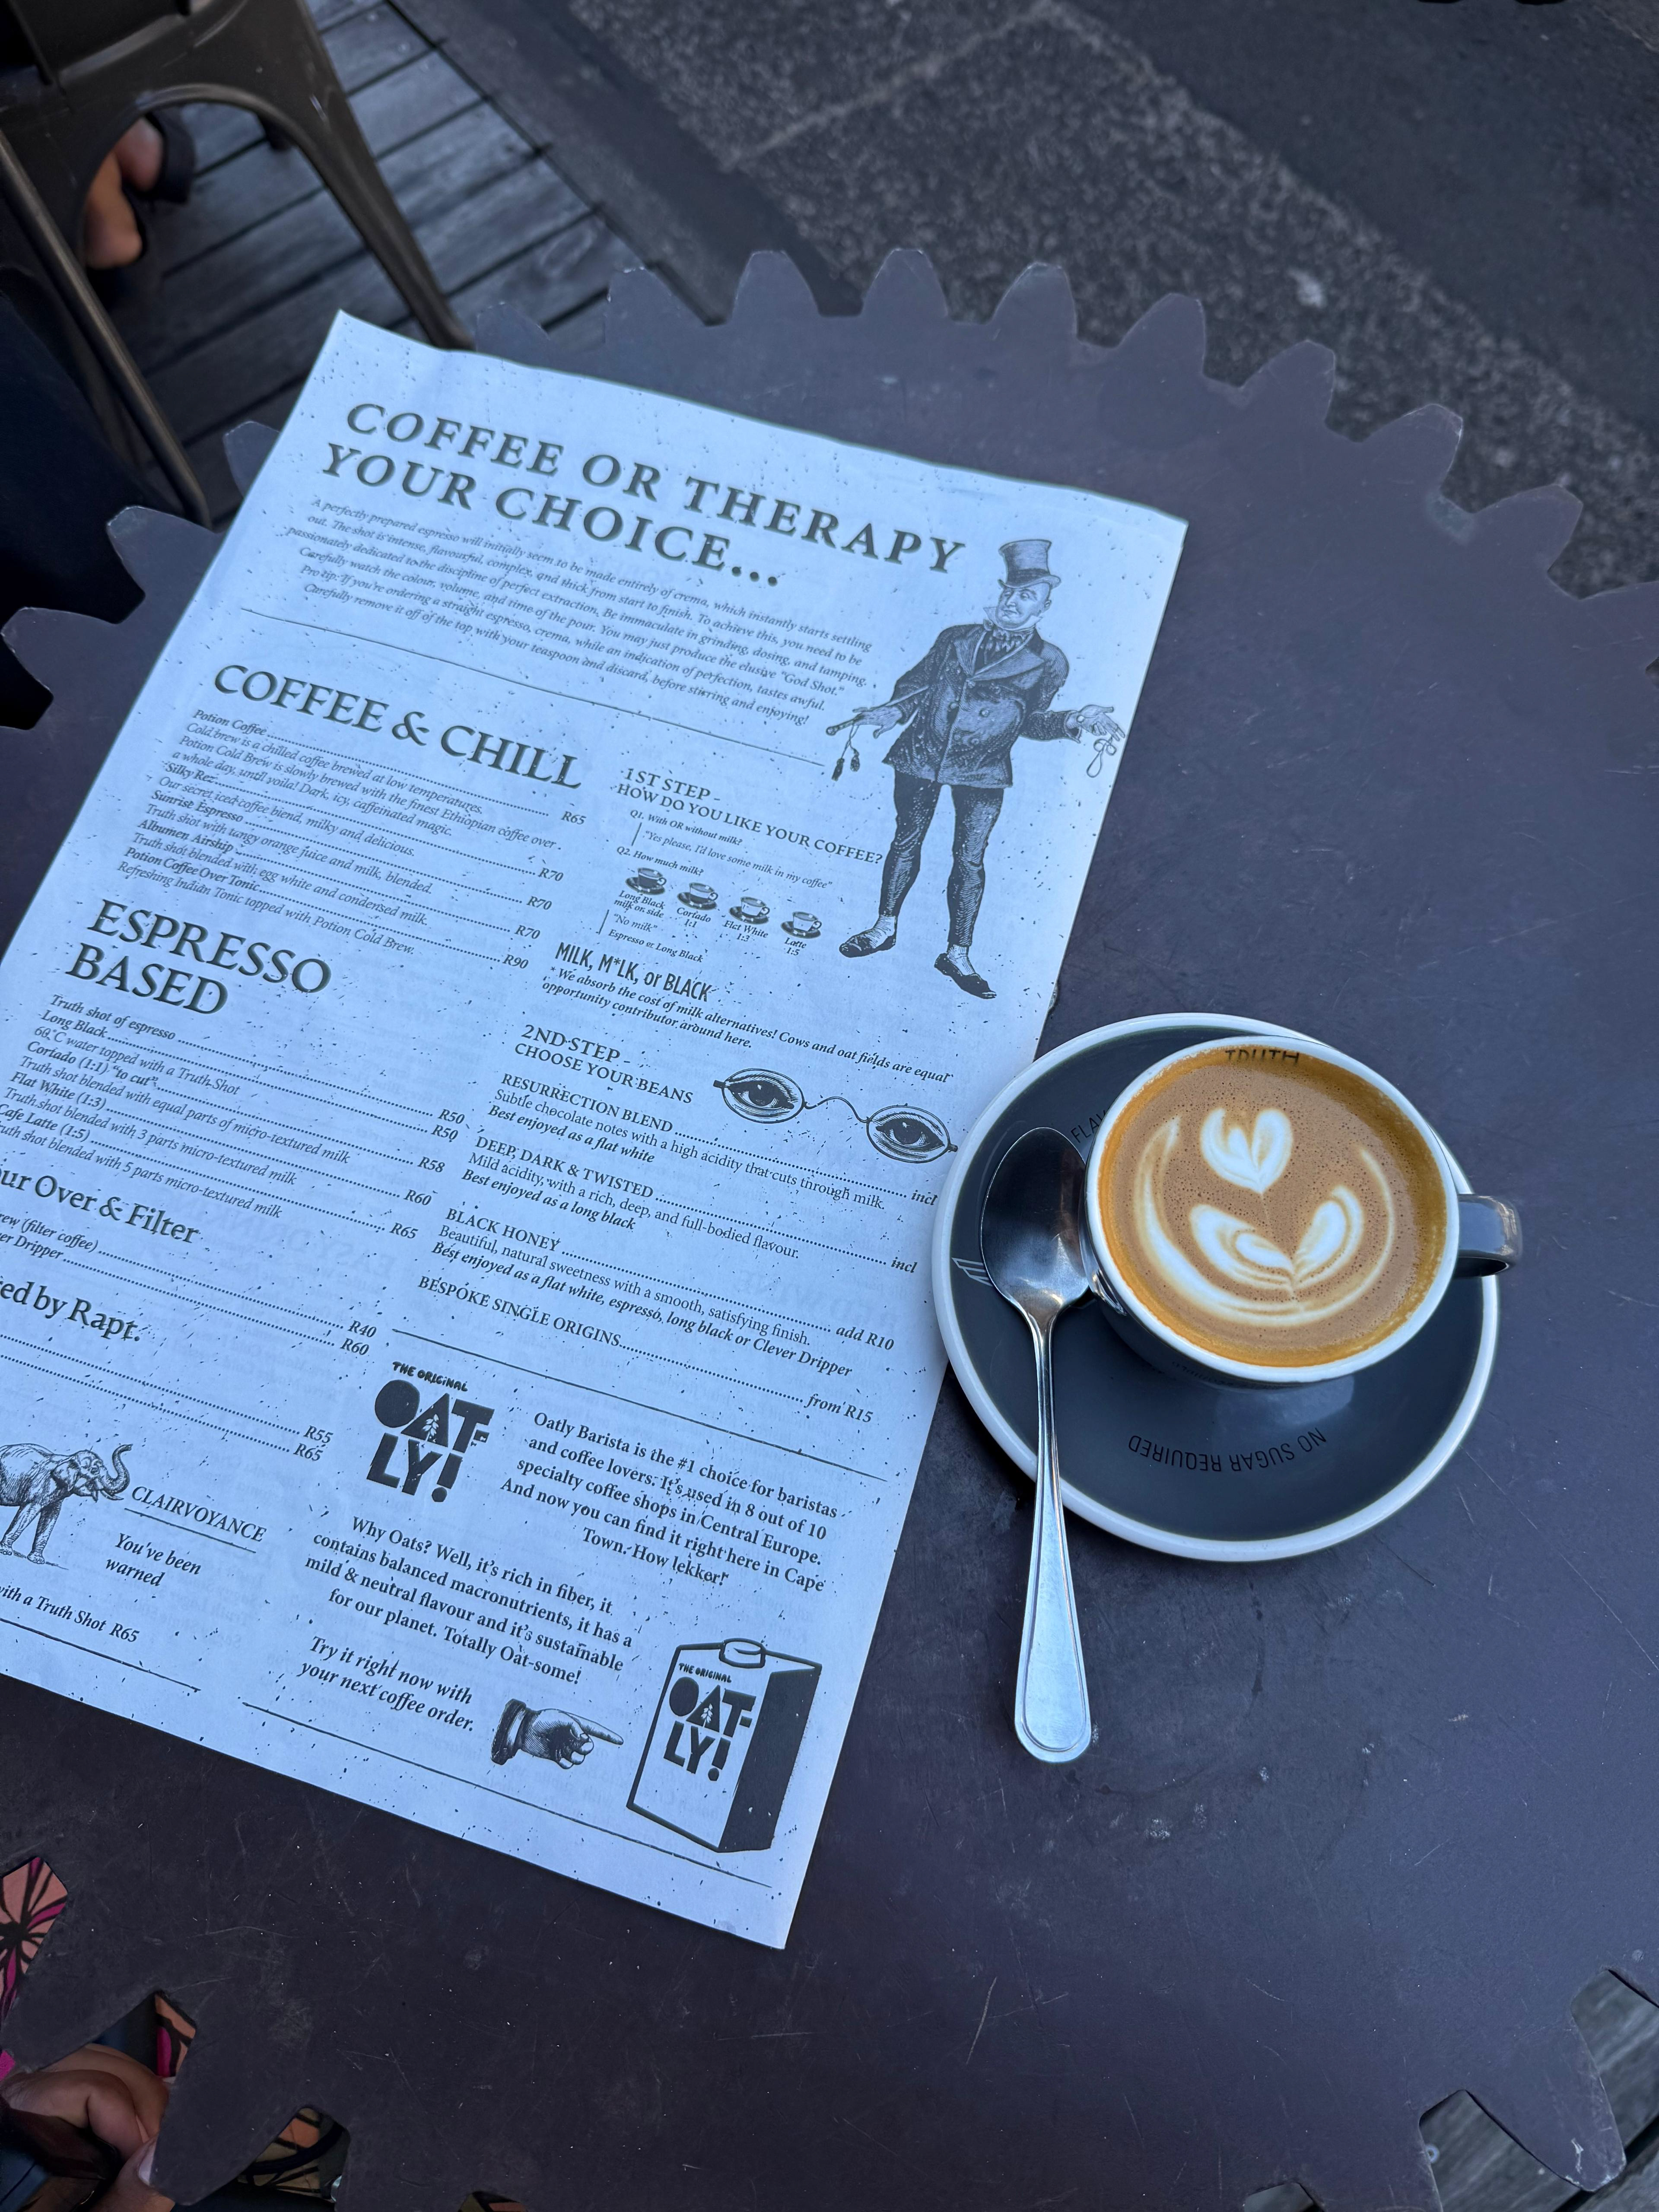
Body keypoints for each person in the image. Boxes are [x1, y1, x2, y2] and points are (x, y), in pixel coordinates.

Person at [836, 539, 1120, 999]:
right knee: (905, 841)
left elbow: (1032, 721)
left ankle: (958, 953)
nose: (1013, 602)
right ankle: (884, 927)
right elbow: (917, 685)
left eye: (1027, 596)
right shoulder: (956, 638)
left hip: (983, 768)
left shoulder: (1050, 661)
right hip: (923, 755)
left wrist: (1073, 720)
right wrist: (891, 711)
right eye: (1009, 592)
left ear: (1045, 606)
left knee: (969, 859)